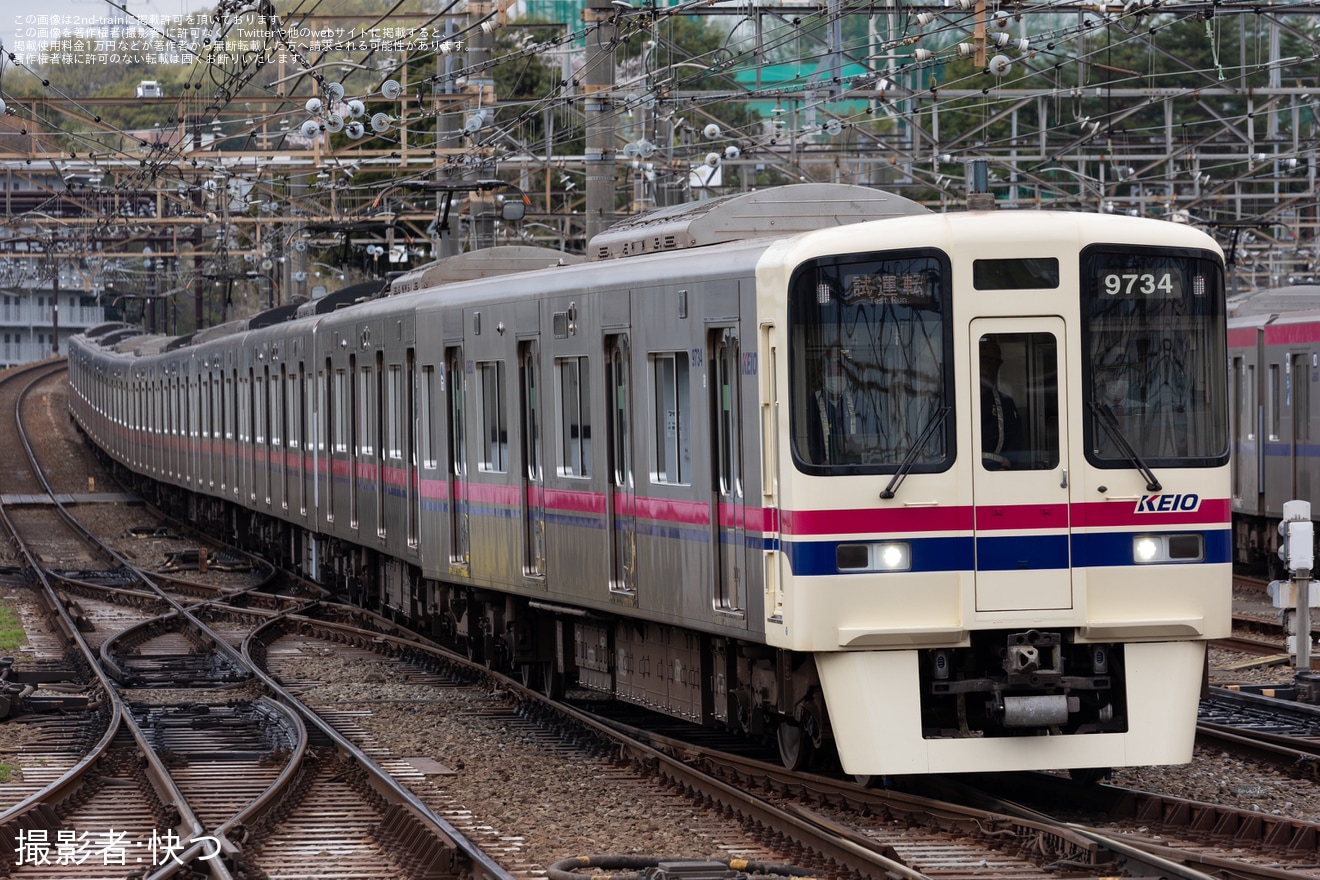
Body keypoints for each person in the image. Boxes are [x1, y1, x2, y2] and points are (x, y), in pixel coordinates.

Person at [808, 345, 877, 465]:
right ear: (821, 376)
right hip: (825, 472)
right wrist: (820, 461)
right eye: (831, 373)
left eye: (840, 372)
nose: (837, 377)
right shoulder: (813, 402)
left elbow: (871, 435)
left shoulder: (858, 402)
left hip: (856, 468)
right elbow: (810, 439)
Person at [980, 338, 1022, 470]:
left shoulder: (1005, 403)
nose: (991, 368)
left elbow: (1015, 439)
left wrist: (1007, 464)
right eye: (986, 362)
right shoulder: (955, 401)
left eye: (995, 364)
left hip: (996, 473)